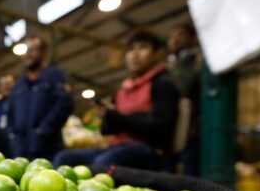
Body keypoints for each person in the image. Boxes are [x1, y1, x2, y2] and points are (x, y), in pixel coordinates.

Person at [53, 29, 180, 169]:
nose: (135, 55)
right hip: (118, 146)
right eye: (131, 50)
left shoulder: (162, 84)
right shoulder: (122, 91)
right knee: (64, 158)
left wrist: (117, 116)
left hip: (150, 150)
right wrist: (107, 115)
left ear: (156, 54)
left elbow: (161, 129)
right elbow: (106, 130)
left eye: (143, 47)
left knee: (103, 163)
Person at [7, 36, 73, 160]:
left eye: (32, 50)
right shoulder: (19, 84)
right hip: (21, 153)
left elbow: (64, 105)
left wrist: (42, 131)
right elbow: (11, 113)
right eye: (25, 51)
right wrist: (13, 137)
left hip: (48, 151)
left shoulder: (55, 76)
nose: (28, 54)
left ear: (44, 53)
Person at [167, 22, 202, 176]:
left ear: (193, 38)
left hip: (190, 123)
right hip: (171, 124)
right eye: (172, 36)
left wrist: (196, 123)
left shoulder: (197, 62)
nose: (175, 39)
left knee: (190, 163)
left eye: (180, 34)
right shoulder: (170, 63)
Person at [0, 74, 15, 157]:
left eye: (8, 84)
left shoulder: (19, 103)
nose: (6, 87)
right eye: (3, 84)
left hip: (14, 145)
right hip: (0, 143)